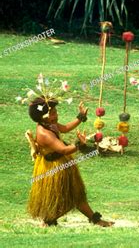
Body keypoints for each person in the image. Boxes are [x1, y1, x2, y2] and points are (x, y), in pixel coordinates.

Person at [28, 97, 113, 227]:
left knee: (77, 194)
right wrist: (80, 143)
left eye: (56, 112)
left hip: (61, 164)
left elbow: (66, 128)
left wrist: (80, 117)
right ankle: (49, 220)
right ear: (42, 116)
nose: (56, 115)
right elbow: (63, 150)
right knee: (69, 198)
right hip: (54, 168)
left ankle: (96, 220)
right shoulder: (44, 133)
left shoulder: (49, 124)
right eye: (52, 113)